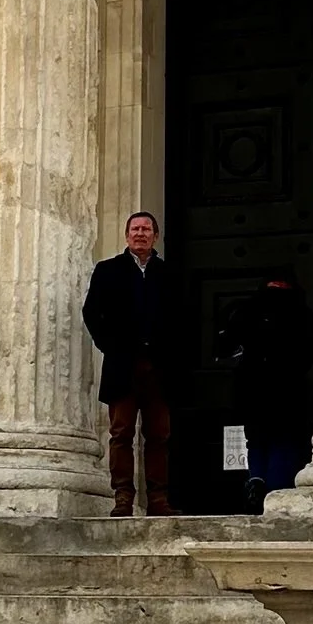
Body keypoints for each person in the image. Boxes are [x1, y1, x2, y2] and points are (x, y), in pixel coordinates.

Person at [84, 212, 186, 517]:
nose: (140, 234)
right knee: (121, 433)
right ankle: (123, 498)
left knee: (159, 435)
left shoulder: (169, 274)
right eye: (135, 229)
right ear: (127, 235)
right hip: (122, 367)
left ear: (155, 236)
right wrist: (112, 348)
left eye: (146, 229)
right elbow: (92, 314)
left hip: (159, 369)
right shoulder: (108, 270)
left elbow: (185, 320)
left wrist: (172, 354)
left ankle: (158, 500)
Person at [228, 273, 313, 509]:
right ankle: (275, 490)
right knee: (284, 439)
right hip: (287, 387)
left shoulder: (246, 309)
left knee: (257, 440)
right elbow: (310, 351)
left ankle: (257, 480)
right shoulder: (300, 311)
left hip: (252, 387)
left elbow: (229, 345)